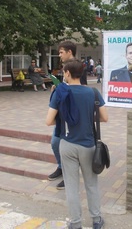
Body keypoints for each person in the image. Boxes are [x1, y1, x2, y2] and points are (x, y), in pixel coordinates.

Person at [45, 59, 108, 229]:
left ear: (67, 73)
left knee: (71, 187)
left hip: (67, 145)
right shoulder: (93, 93)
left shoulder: (60, 92)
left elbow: (49, 121)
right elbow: (104, 118)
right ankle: (96, 220)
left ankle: (75, 223)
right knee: (91, 184)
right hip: (88, 145)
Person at [46, 41, 87, 190]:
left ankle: (69, 174)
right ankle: (61, 168)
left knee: (65, 145)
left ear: (70, 52)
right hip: (61, 113)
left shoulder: (77, 68)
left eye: (62, 52)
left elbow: (81, 88)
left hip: (72, 114)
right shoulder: (65, 68)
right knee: (55, 142)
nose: (59, 55)